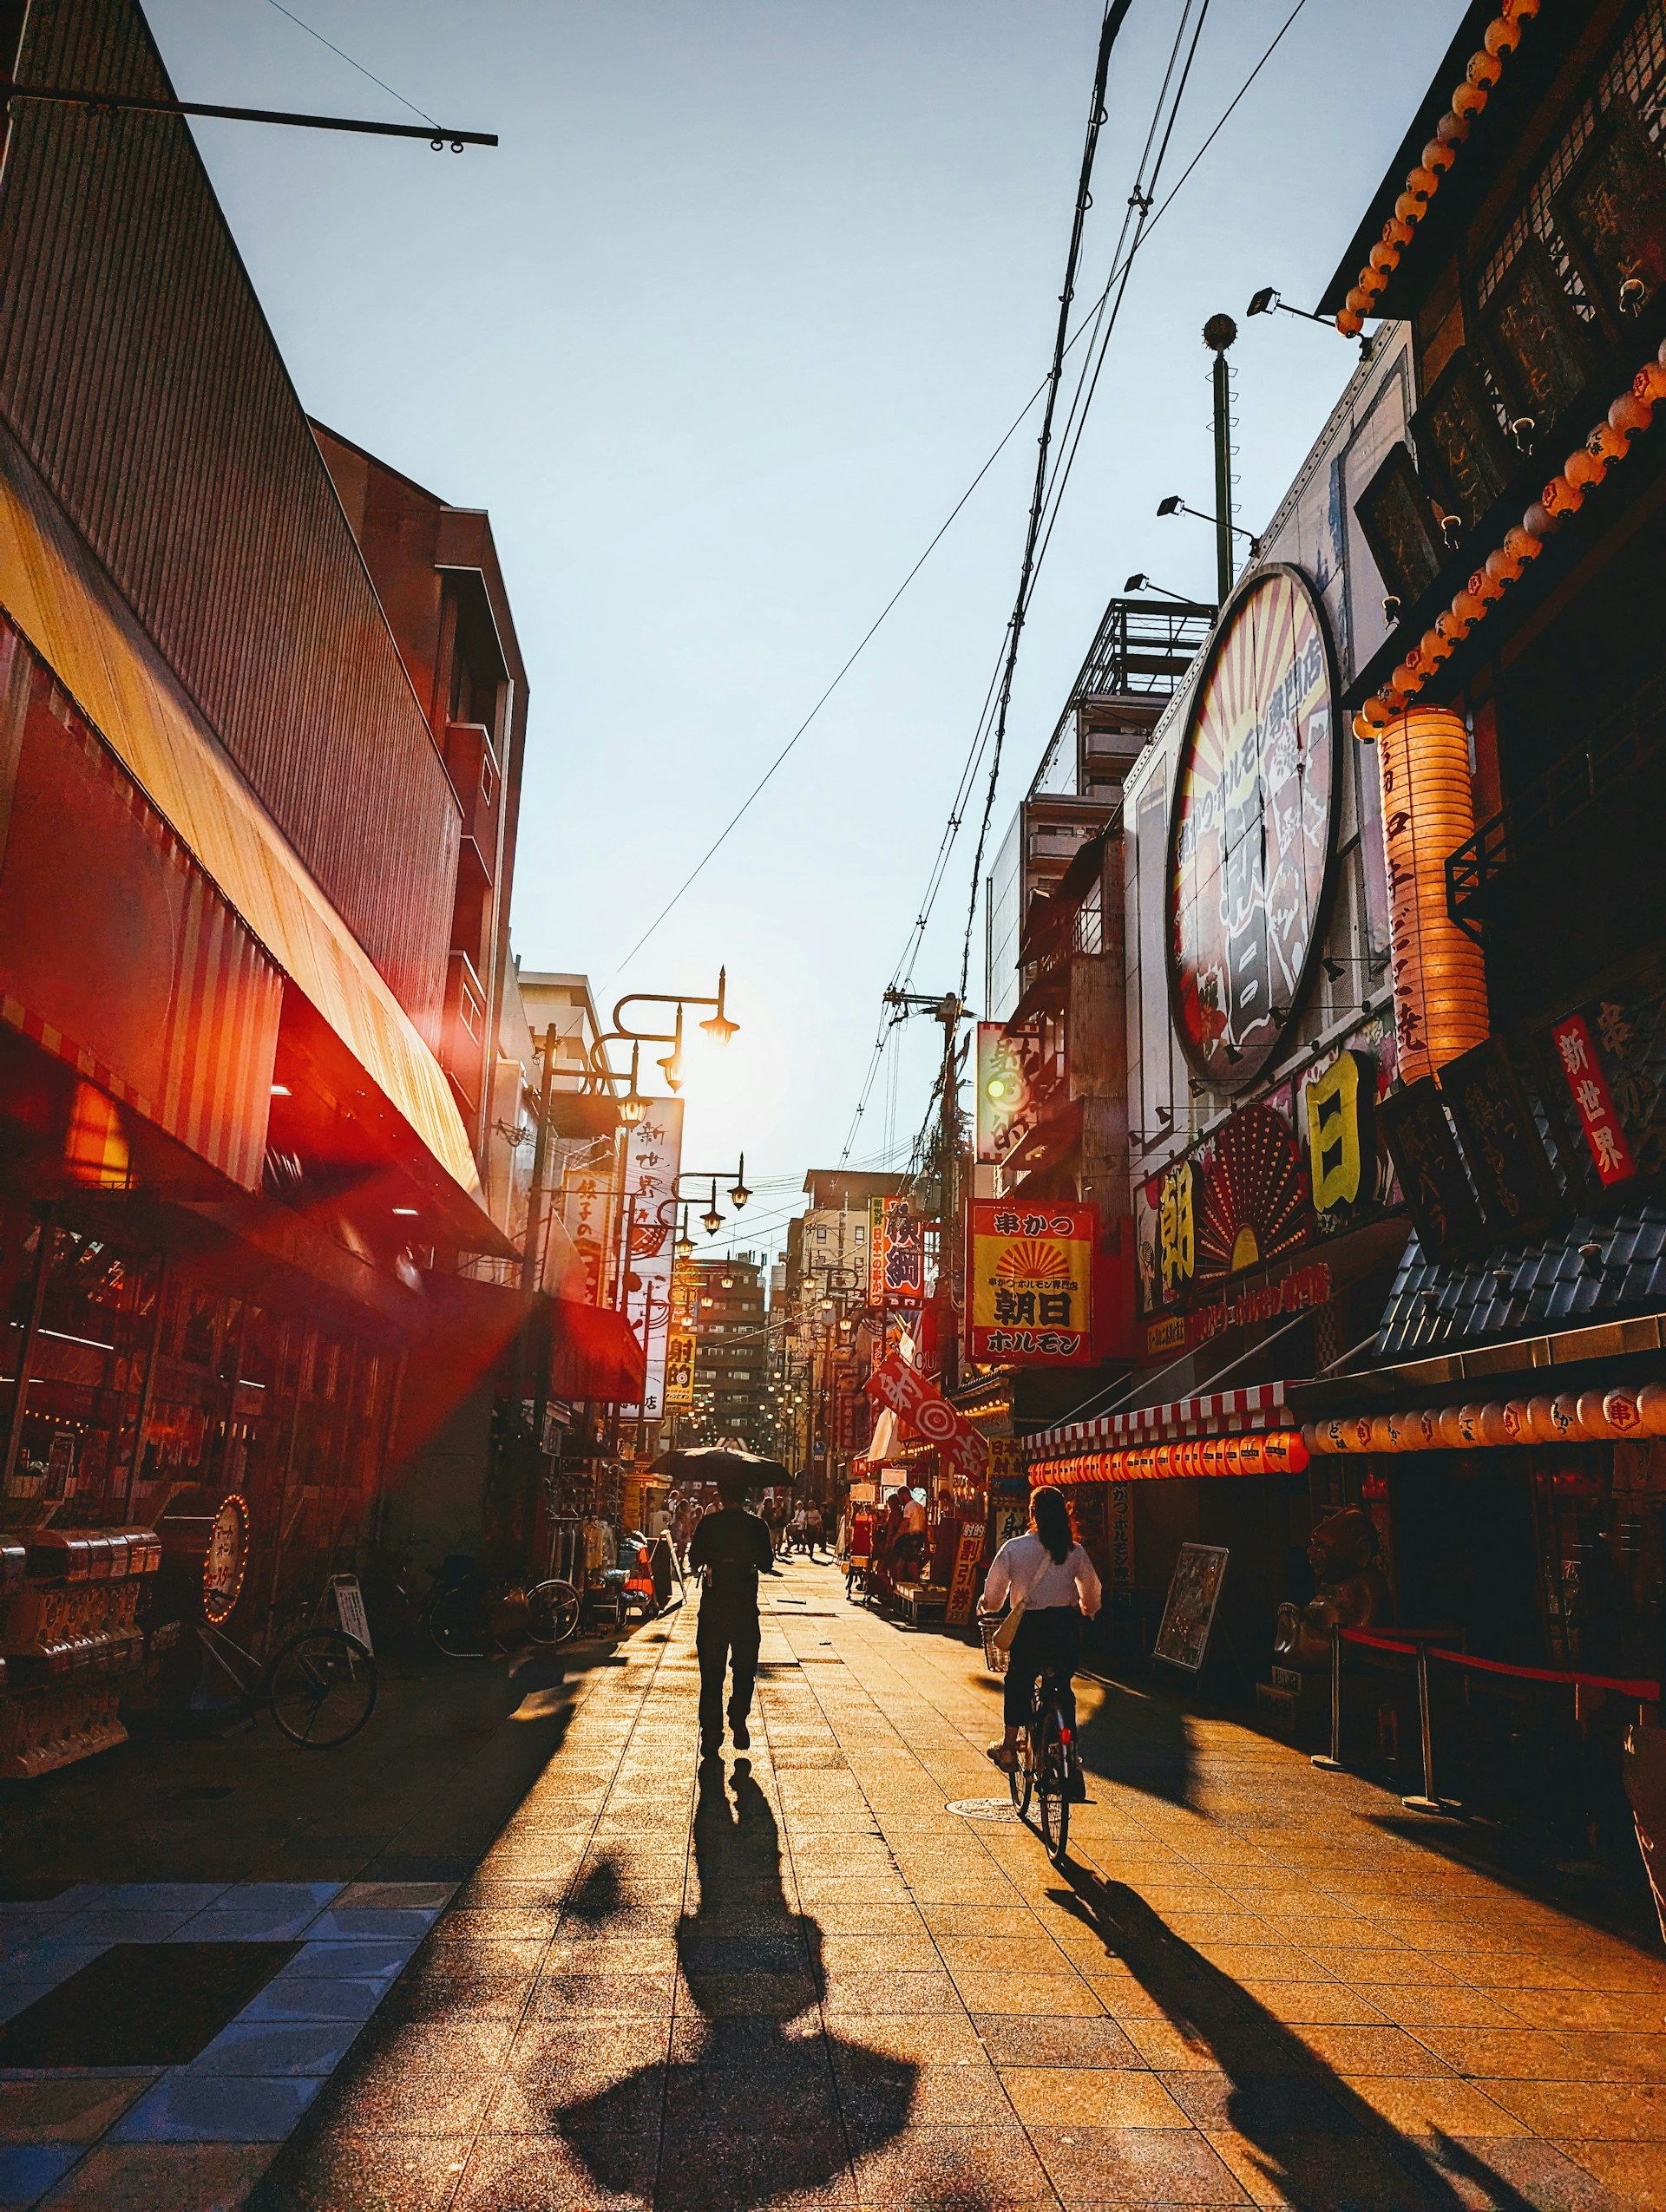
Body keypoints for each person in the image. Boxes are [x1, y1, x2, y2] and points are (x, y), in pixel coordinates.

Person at [981, 1484, 1099, 1780]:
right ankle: (1069, 1754)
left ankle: (1009, 1746)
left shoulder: (1015, 1548)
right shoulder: (1075, 1551)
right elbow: (1092, 1593)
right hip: (1065, 1630)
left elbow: (994, 1596)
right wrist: (1088, 1609)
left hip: (1029, 1629)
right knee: (1062, 1688)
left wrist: (986, 1606)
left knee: (1019, 1680)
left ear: (1031, 1513)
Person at [687, 1468, 774, 1760]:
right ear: (747, 1496)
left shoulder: (708, 1524)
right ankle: (738, 1716)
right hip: (745, 1608)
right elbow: (767, 1563)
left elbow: (694, 1559)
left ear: (721, 1496)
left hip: (713, 1607)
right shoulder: (757, 1526)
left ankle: (712, 1732)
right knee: (745, 1669)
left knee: (711, 1674)